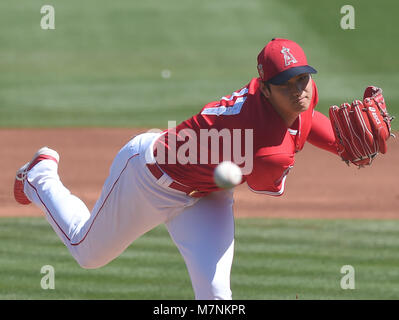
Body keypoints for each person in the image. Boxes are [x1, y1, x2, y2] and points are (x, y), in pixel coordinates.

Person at [14, 38, 339, 300]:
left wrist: (341, 143)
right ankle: (39, 176)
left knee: (216, 296)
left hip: (207, 195)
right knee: (88, 254)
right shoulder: (265, 148)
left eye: (302, 79)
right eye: (286, 84)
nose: (299, 91)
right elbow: (272, 170)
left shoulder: (293, 98)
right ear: (265, 89)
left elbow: (306, 121)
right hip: (148, 177)